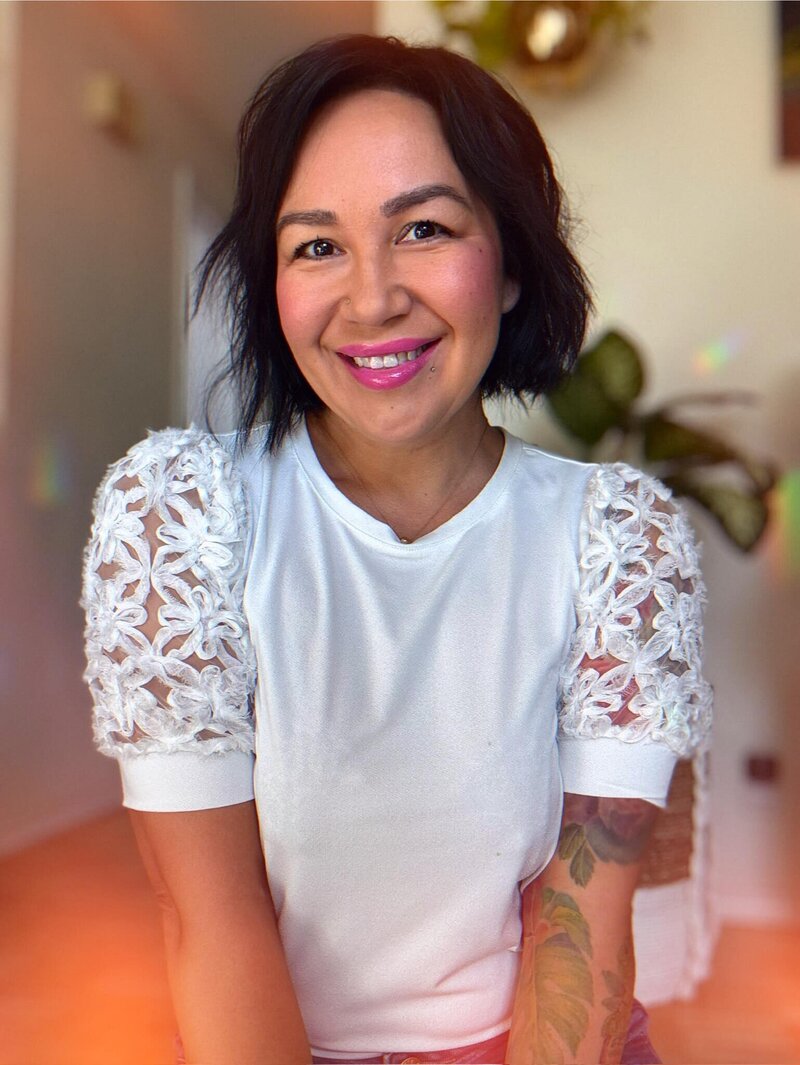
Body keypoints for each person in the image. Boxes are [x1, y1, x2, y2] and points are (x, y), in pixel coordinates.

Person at [81, 34, 712, 1065]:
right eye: (316, 246)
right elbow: (212, 918)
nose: (370, 299)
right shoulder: (180, 516)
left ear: (509, 265)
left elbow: (580, 923)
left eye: (422, 228)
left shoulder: (615, 538)